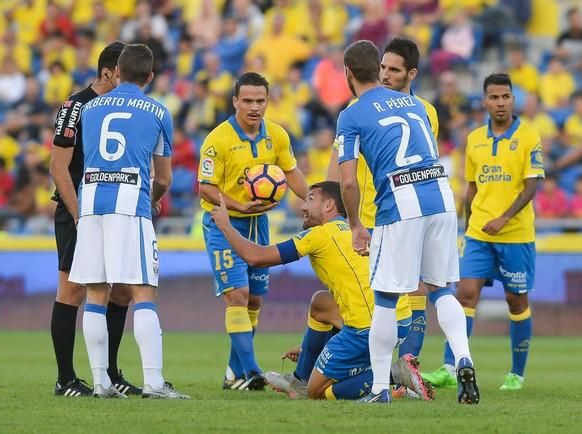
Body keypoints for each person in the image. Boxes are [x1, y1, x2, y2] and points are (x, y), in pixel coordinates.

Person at [337, 40, 478, 404]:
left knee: (384, 297)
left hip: (400, 204)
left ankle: (381, 388)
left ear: (348, 72)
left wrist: (355, 224)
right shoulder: (417, 103)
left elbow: (348, 181)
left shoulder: (352, 114)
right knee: (442, 289)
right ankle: (463, 357)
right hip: (442, 197)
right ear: (377, 68)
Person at [211, 181, 431, 401]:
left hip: (367, 328)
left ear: (329, 206)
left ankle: (393, 374)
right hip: (399, 319)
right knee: (321, 303)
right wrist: (309, 350)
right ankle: (300, 378)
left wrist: (225, 227)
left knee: (316, 392)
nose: (302, 206)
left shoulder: (319, 235)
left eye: (310, 199)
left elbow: (256, 257)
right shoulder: (360, 231)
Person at [68, 44, 189, 399]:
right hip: (129, 204)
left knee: (95, 292)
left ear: (116, 71)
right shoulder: (158, 111)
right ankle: (153, 383)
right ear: (150, 77)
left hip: (90, 202)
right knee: (143, 292)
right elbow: (164, 179)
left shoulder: (89, 108)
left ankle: (101, 383)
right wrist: (152, 201)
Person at [327, 36, 440, 395]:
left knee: (400, 293)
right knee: (360, 295)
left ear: (410, 73)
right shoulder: (357, 110)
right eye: (385, 68)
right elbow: (338, 170)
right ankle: (388, 373)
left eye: (394, 69)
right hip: (371, 215)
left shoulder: (416, 109)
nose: (388, 74)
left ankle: (401, 369)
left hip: (393, 213)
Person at [423, 73, 544, 392]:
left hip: (515, 235)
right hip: (478, 234)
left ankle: (516, 374)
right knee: (464, 294)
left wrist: (504, 218)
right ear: (485, 101)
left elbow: (532, 186)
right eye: (494, 97)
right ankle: (452, 366)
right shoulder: (474, 139)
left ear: (512, 99)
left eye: (506, 96)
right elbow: (471, 188)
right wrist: (460, 227)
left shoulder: (529, 136)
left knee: (515, 301)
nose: (500, 102)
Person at [198, 72, 308, 391]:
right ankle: (252, 371)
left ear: (267, 101)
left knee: (255, 301)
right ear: (235, 101)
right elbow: (205, 187)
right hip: (224, 222)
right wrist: (237, 205)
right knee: (237, 295)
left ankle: (234, 373)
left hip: (258, 224)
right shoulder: (218, 140)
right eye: (247, 100)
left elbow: (292, 173)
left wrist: (315, 200)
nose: (254, 107)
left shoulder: (277, 136)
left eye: (260, 100)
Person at [49, 41, 140, 397]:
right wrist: (77, 214)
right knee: (71, 291)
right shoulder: (76, 106)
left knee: (120, 293)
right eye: (123, 75)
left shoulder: (125, 107)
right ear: (107, 72)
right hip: (78, 210)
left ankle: (112, 373)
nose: (129, 83)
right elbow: (58, 166)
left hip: (115, 207)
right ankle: (66, 378)